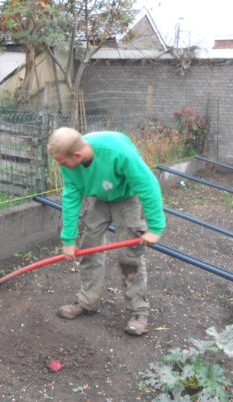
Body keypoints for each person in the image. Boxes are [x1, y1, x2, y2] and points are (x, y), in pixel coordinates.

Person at [47, 127, 166, 336]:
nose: (60, 166)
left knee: (129, 255)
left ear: (76, 154)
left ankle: (138, 311)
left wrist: (155, 228)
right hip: (98, 197)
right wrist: (68, 239)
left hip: (127, 197)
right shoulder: (69, 164)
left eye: (62, 162)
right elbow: (71, 199)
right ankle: (87, 302)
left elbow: (147, 185)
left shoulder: (117, 153)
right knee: (90, 248)